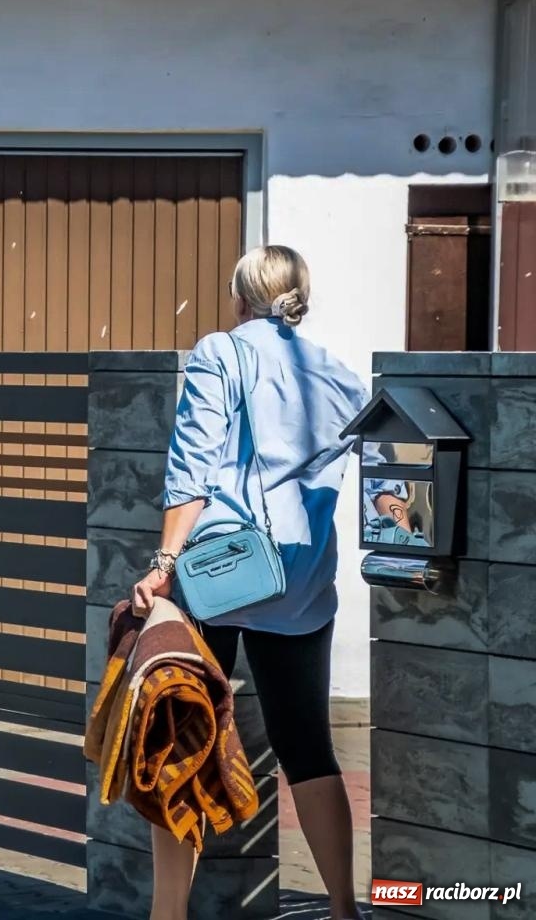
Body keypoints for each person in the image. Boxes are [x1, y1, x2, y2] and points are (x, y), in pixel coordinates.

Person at [131, 245, 367, 920]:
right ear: (301, 299)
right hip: (300, 583)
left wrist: (164, 563)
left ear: (240, 299)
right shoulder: (338, 376)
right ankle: (345, 909)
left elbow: (193, 468)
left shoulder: (220, 353)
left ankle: (169, 913)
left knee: (182, 739)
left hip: (220, 575)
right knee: (307, 744)